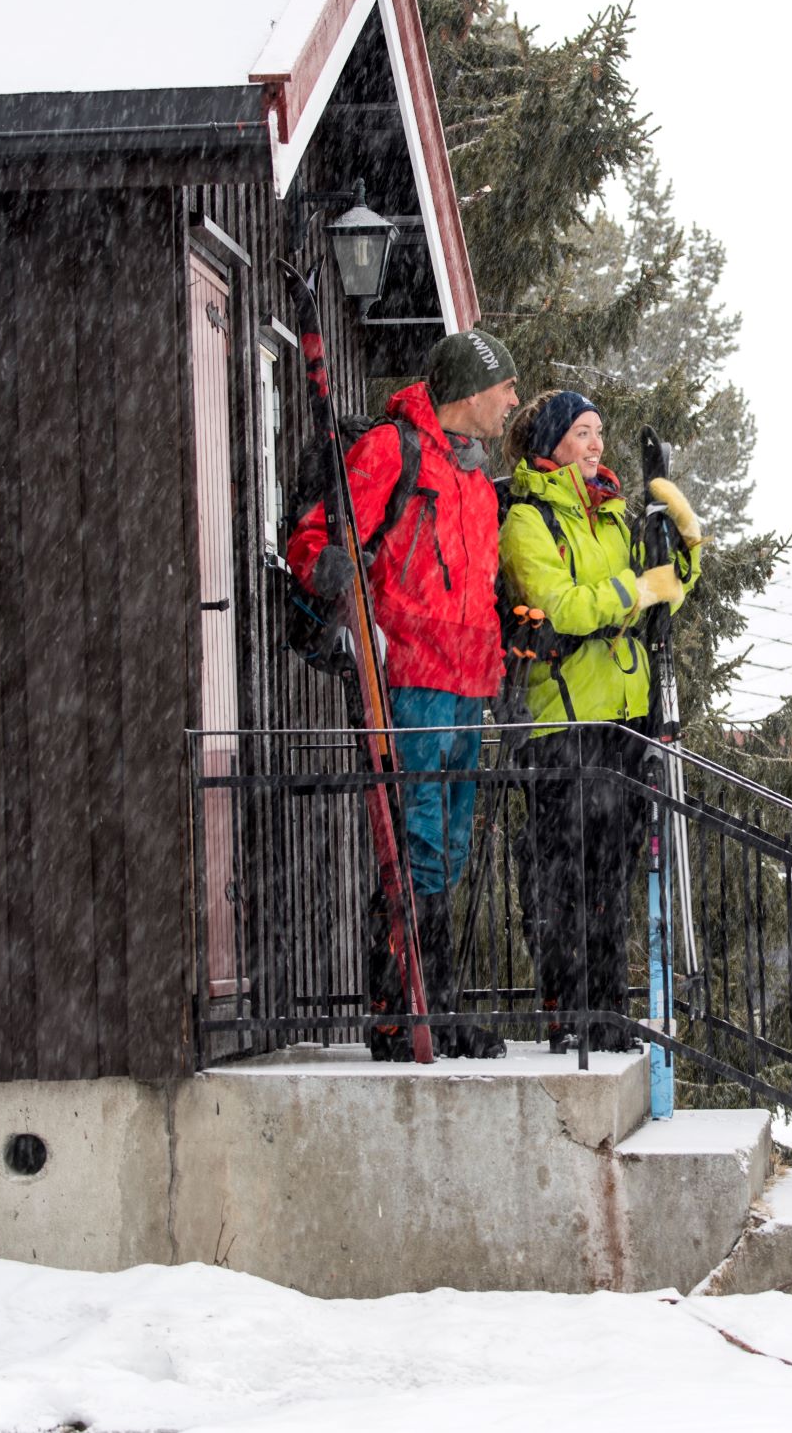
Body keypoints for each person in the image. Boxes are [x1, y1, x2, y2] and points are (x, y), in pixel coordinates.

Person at [287, 327, 519, 1060]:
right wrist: (333, 578)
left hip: (465, 684)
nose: (513, 400)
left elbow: (479, 593)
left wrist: (498, 678)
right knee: (412, 847)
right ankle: (400, 1011)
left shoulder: (477, 480)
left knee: (445, 852)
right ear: (469, 390)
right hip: (409, 677)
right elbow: (318, 537)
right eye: (505, 386)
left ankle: (435, 1008)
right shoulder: (393, 450)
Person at [499, 389, 703, 1052]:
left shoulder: (616, 516)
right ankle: (567, 1014)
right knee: (566, 875)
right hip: (563, 721)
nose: (597, 445)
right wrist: (631, 593)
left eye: (600, 433)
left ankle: (609, 1012)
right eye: (585, 433)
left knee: (612, 876)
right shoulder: (529, 521)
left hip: (624, 718)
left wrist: (682, 544)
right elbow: (560, 607)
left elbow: (663, 586)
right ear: (553, 442)